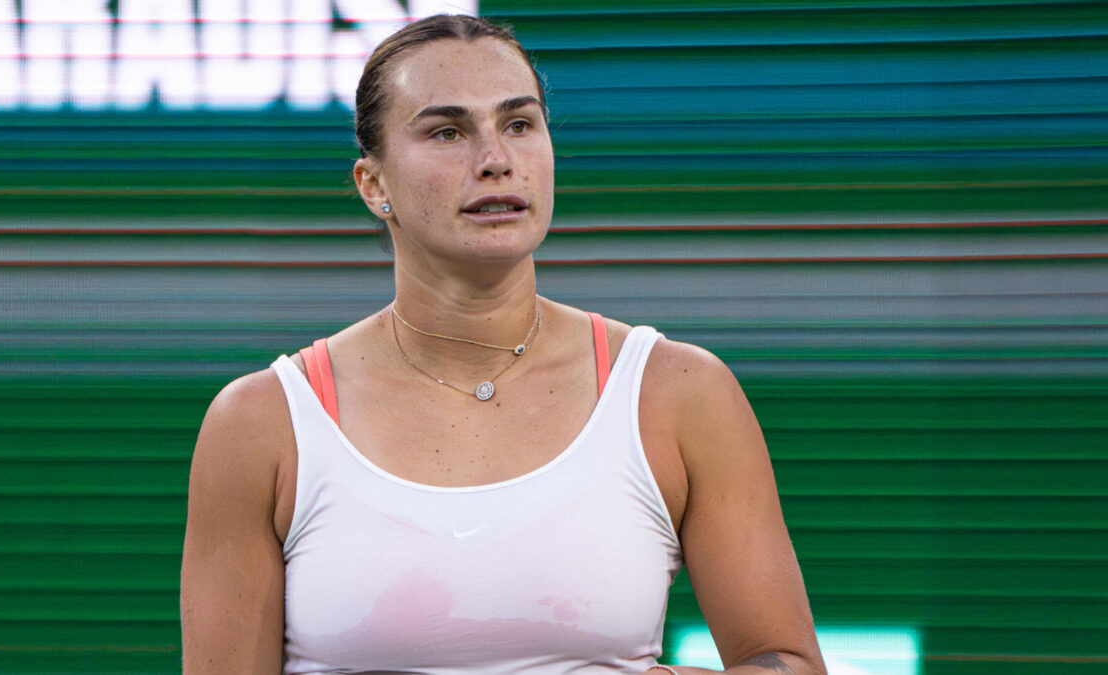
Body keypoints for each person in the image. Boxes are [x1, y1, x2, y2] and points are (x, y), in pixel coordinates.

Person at [180, 14, 825, 675]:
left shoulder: (679, 392)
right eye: (448, 131)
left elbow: (787, 659)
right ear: (374, 186)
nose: (496, 160)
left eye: (519, 123)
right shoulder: (261, 424)